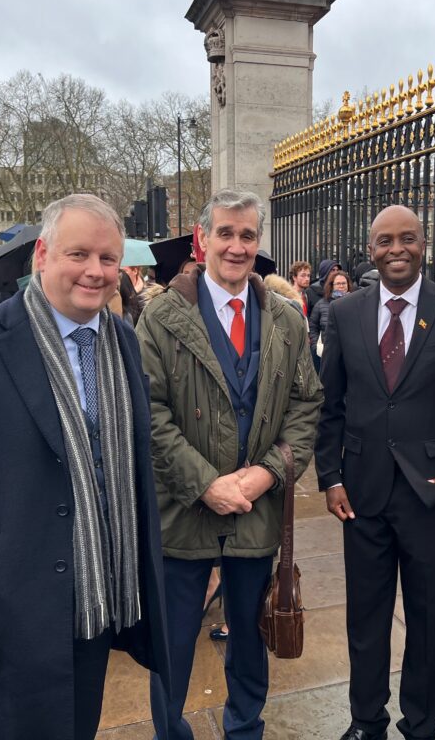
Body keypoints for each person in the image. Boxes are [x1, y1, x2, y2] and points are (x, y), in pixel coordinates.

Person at [0, 194, 170, 740]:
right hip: (8, 612)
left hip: (99, 599)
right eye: (79, 254)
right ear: (42, 256)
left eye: (107, 258)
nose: (95, 272)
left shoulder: (122, 338)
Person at [138, 189, 323, 740]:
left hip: (256, 514)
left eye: (247, 235)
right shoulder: (161, 318)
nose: (237, 246)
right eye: (226, 233)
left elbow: (306, 403)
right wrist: (205, 484)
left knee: (249, 636)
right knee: (170, 646)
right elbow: (148, 414)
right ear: (203, 239)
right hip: (181, 516)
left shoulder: (286, 321)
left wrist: (269, 471)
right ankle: (170, 731)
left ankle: (245, 729)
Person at [315, 204, 435, 740]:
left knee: (426, 621)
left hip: (430, 495)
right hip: (362, 494)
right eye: (384, 241)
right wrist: (330, 477)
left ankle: (421, 724)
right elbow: (331, 405)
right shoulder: (346, 313)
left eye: (407, 239)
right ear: (370, 249)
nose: (396, 249)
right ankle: (365, 722)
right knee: (365, 622)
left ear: (424, 245)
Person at [308, 269, 353, 357]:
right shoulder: (321, 304)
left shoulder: (354, 302)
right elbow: (313, 326)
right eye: (338, 284)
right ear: (332, 286)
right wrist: (315, 346)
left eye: (344, 283)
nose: (341, 286)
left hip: (350, 352)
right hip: (327, 353)